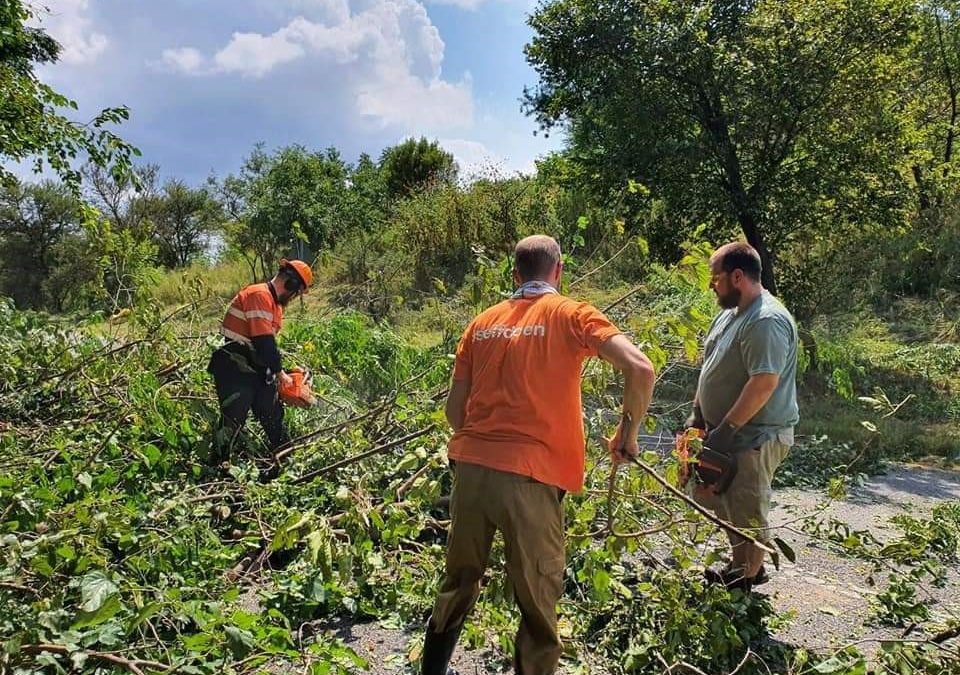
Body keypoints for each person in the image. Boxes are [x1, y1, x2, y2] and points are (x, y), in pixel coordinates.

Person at [421, 235, 656, 675]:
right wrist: (628, 434)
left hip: (471, 470)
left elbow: (455, 411)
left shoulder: (482, 322)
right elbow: (640, 367)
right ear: (558, 271)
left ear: (514, 275)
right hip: (531, 478)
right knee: (538, 599)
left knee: (458, 581)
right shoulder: (571, 313)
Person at [687, 241, 799, 592]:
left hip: (755, 437)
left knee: (747, 508)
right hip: (727, 433)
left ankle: (743, 584)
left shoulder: (766, 320)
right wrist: (697, 414)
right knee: (726, 502)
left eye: (715, 278)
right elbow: (711, 368)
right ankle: (745, 566)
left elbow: (764, 383)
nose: (711, 286)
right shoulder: (729, 314)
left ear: (738, 277)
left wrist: (726, 430)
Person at [207, 258, 313, 460]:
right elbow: (263, 342)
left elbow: (266, 348)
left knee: (272, 413)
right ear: (291, 284)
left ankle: (286, 459)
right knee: (234, 419)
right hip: (233, 365)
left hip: (255, 367)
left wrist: (286, 370)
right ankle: (219, 465)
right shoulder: (259, 295)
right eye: (296, 293)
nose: (293, 297)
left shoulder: (275, 306)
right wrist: (280, 373)